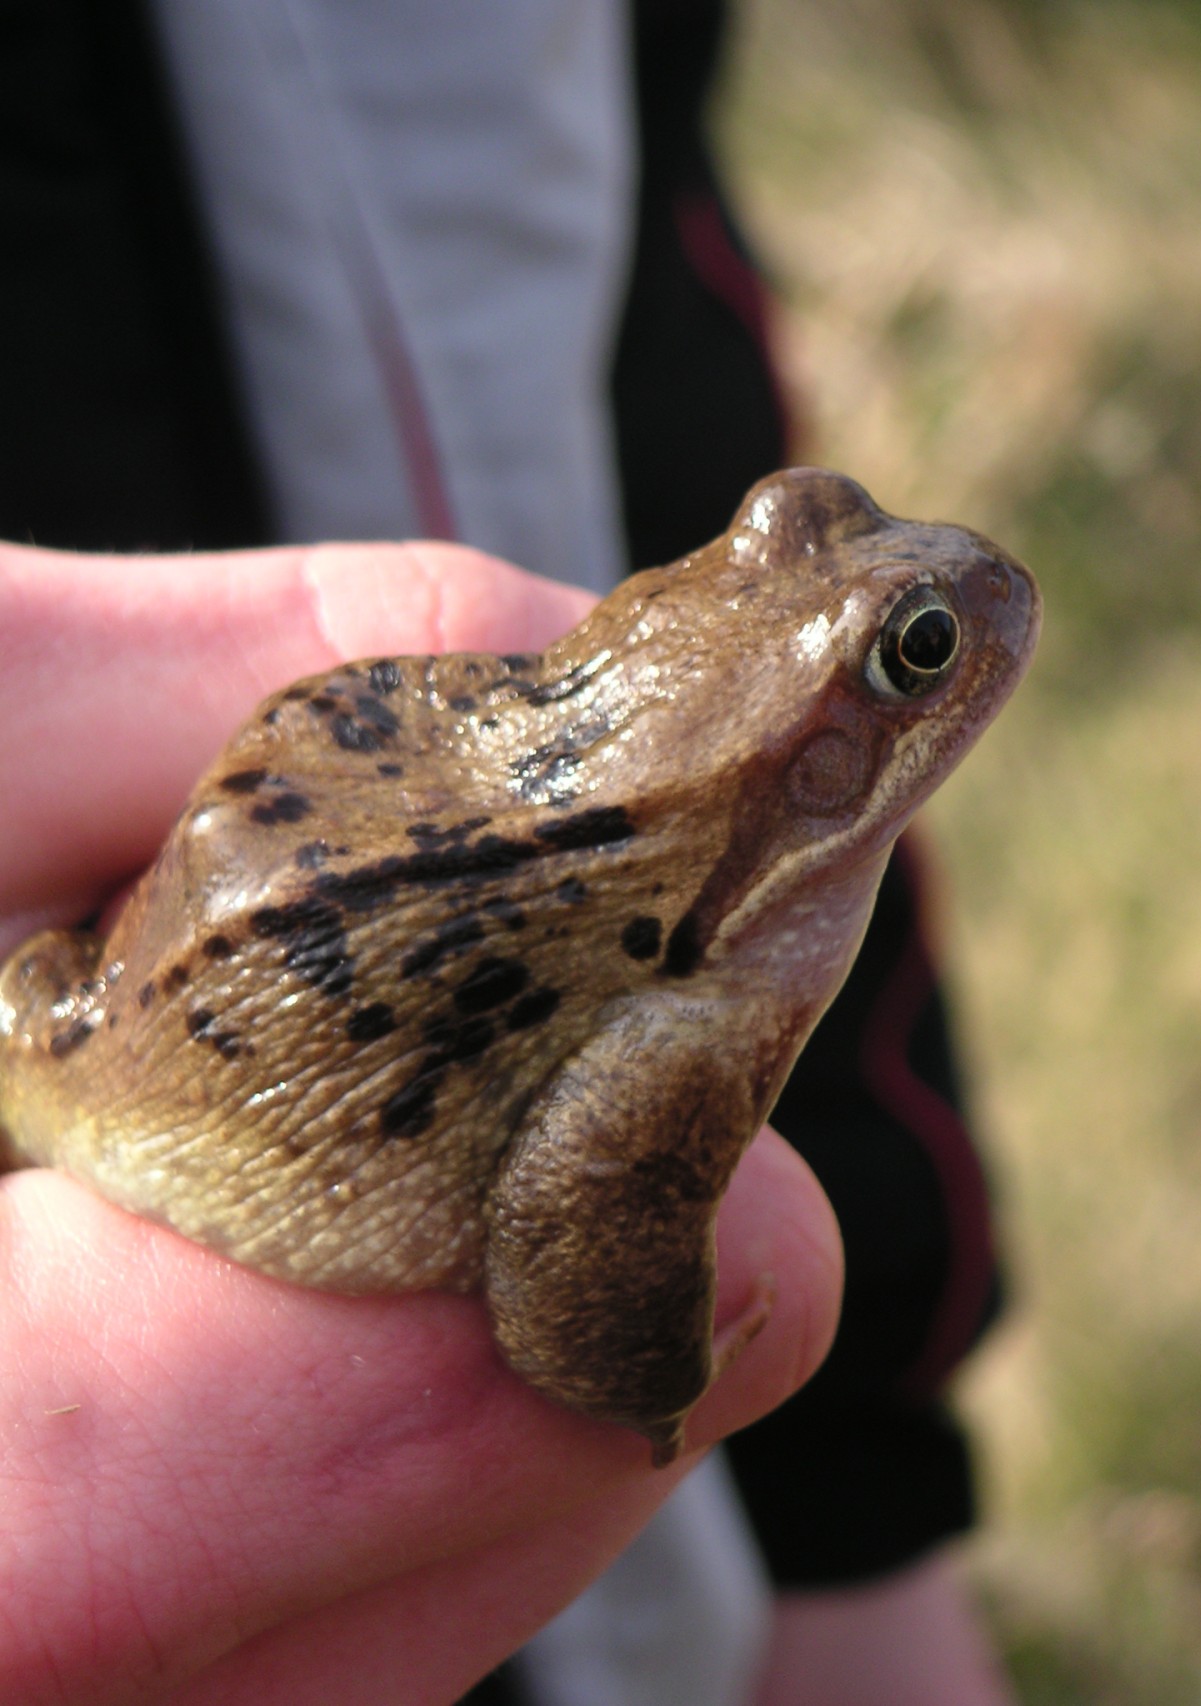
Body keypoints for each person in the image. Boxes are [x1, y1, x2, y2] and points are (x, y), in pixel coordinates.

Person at [0, 0, 1016, 1699]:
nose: (966, 604)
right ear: (824, 756)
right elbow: (565, 1267)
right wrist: (660, 1366)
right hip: (184, 1074)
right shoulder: (681, 1005)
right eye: (915, 656)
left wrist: (846, 1498)